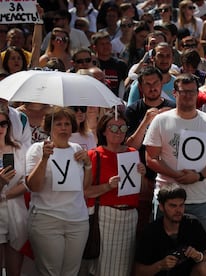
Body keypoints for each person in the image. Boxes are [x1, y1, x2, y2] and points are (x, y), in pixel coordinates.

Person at [144, 73, 206, 234]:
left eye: (192, 91)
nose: (188, 95)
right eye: (183, 91)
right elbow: (151, 158)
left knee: (199, 252)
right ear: (175, 93)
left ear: (197, 93)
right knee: (163, 252)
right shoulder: (161, 121)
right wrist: (175, 175)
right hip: (167, 198)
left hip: (199, 199)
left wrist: (198, 176)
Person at [26, 107, 92, 275]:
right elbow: (33, 186)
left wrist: (88, 165)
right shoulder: (37, 149)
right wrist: (44, 158)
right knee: (50, 272)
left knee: (71, 272)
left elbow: (85, 186)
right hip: (47, 219)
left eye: (67, 124)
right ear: (49, 127)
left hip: (77, 221)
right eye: (59, 124)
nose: (63, 128)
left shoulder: (77, 149)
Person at [83, 110, 146, 276]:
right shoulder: (94, 155)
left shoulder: (132, 153)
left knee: (124, 268)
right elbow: (86, 192)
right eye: (113, 128)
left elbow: (140, 190)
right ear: (104, 130)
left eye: (123, 128)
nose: (119, 132)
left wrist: (142, 173)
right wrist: (107, 186)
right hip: (106, 217)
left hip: (130, 216)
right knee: (105, 268)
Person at [125, 66, 175, 237]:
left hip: (167, 175)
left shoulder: (173, 109)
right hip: (141, 177)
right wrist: (146, 121)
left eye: (156, 83)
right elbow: (130, 147)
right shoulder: (132, 110)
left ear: (162, 84)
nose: (152, 87)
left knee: (163, 228)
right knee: (139, 227)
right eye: (148, 84)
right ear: (140, 87)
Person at [135, 184, 206, 276]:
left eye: (181, 205)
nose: (178, 210)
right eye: (173, 206)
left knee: (205, 268)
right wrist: (160, 265)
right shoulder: (151, 231)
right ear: (161, 207)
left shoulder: (193, 224)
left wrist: (198, 256)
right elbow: (137, 271)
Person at [0, 108, 29, 276]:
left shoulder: (19, 149)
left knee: (14, 269)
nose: (0, 128)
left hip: (17, 211)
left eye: (3, 123)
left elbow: (28, 181)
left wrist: (5, 194)